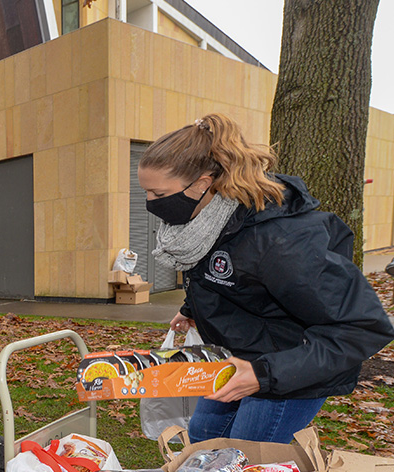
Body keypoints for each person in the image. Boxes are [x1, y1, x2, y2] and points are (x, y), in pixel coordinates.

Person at [138, 113, 394, 444]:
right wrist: (191, 308)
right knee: (205, 436)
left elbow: (363, 327)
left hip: (291, 368)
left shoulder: (281, 241)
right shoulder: (207, 223)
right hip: (243, 356)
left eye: (158, 195)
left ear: (203, 183)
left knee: (247, 459)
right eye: (145, 192)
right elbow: (224, 271)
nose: (149, 204)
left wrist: (262, 375)